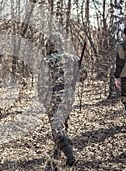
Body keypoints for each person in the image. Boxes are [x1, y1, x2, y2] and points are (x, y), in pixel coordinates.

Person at [39, 33, 87, 167]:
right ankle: (57, 152)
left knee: (57, 126)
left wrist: (43, 99)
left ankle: (70, 156)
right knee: (61, 122)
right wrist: (76, 74)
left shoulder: (47, 60)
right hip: (69, 95)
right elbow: (84, 75)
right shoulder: (72, 58)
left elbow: (42, 83)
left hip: (54, 95)